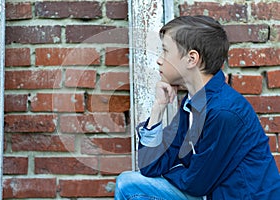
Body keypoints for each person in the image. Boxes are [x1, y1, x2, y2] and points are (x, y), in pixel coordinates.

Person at [114, 15, 280, 200]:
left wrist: (172, 173)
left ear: (192, 59)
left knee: (130, 186)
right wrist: (157, 110)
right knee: (129, 184)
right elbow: (150, 165)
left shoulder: (224, 112)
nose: (159, 60)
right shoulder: (192, 102)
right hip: (211, 194)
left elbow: (196, 183)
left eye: (165, 51)